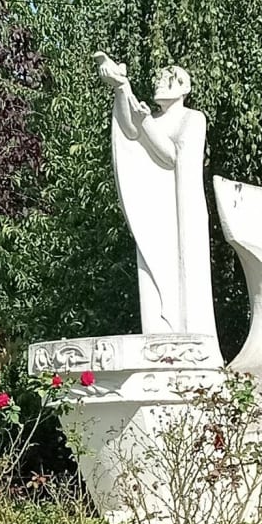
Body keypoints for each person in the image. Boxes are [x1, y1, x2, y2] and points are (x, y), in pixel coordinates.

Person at [94, 54, 217, 337]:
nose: (159, 83)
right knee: (153, 271)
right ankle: (160, 334)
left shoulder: (192, 119)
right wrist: (122, 87)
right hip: (155, 209)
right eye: (158, 79)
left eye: (167, 79)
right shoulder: (153, 118)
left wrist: (146, 122)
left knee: (182, 275)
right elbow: (129, 131)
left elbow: (173, 157)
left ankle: (187, 338)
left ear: (184, 87)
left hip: (180, 212)